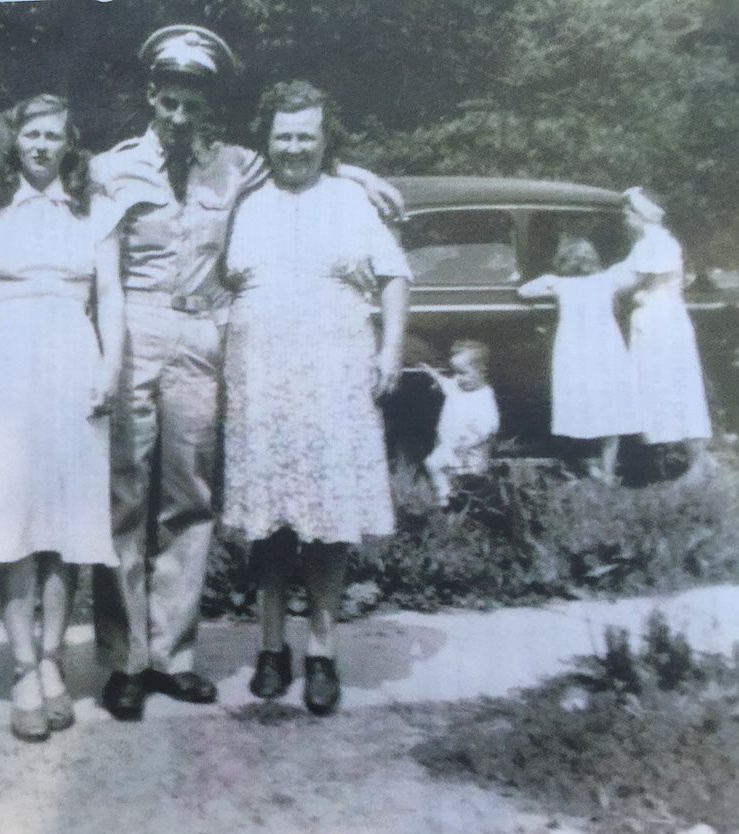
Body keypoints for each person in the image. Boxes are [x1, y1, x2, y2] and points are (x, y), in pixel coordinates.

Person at [89, 27, 404, 721]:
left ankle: (172, 657)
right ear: (150, 95)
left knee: (189, 497)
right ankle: (124, 661)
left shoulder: (233, 166)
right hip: (135, 329)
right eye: (169, 102)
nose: (179, 117)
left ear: (208, 109)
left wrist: (356, 173)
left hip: (200, 335)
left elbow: (303, 167)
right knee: (122, 499)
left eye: (192, 106)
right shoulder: (110, 170)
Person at [222, 79, 411, 715]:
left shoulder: (352, 200)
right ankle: (272, 648)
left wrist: (389, 351)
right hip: (264, 381)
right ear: (266, 140)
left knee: (328, 527)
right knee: (270, 526)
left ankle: (324, 652)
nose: (294, 147)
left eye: (307, 135)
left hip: (334, 379)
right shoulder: (243, 199)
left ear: (324, 140)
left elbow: (394, 277)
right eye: (284, 135)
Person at [0, 95, 124, 743]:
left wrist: (109, 370)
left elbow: (111, 299)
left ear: (69, 145)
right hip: (6, 367)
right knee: (9, 520)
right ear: (13, 141)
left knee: (64, 522)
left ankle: (51, 661)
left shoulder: (94, 208)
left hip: (75, 364)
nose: (42, 146)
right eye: (32, 136)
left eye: (54, 137)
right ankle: (21, 666)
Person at [518, 238, 639, 485]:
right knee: (609, 407)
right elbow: (631, 277)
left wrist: (550, 277)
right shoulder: (608, 280)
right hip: (605, 349)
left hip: (575, 350)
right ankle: (607, 469)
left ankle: (577, 461)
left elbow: (524, 290)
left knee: (579, 403)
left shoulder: (559, 284)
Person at [613, 187, 714, 482]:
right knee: (661, 387)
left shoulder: (656, 244)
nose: (624, 215)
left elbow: (626, 280)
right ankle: (678, 460)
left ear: (642, 215)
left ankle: (699, 463)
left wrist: (584, 286)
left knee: (677, 385)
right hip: (655, 322)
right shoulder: (647, 243)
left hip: (663, 324)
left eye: (628, 210)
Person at [421, 341, 500, 506]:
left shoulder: (484, 396)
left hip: (471, 448)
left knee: (470, 477)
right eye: (455, 373)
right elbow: (444, 383)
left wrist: (472, 441)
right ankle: (445, 497)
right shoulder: (456, 387)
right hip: (450, 445)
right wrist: (432, 373)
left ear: (481, 371)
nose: (458, 378)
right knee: (432, 464)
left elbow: (490, 425)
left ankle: (472, 504)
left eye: (463, 373)